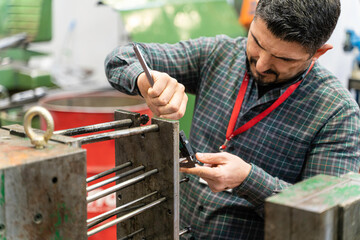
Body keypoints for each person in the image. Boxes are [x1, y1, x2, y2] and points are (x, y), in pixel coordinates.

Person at [105, 0, 360, 239]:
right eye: (257, 42)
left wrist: (248, 180)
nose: (261, 64)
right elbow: (120, 59)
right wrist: (145, 81)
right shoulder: (218, 54)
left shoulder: (337, 113)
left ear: (319, 53)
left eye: (283, 59)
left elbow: (324, 212)